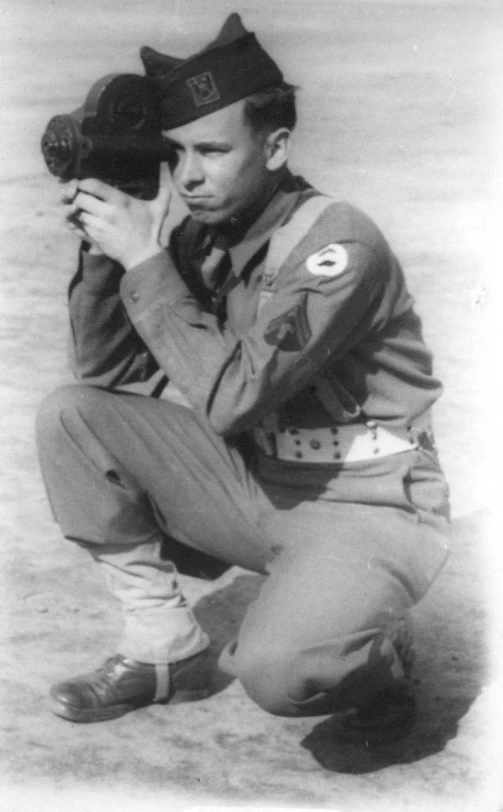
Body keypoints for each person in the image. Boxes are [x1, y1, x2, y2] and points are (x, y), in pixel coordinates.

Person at [36, 13, 450, 740]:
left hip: (367, 504)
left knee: (281, 674)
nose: (188, 176)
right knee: (74, 415)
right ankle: (164, 648)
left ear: (276, 145)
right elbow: (105, 370)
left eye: (211, 151)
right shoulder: (204, 236)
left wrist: (146, 261)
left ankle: (377, 648)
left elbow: (233, 397)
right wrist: (108, 247)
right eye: (175, 154)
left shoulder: (335, 245)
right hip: (259, 484)